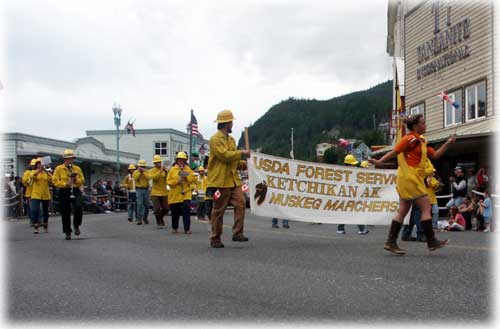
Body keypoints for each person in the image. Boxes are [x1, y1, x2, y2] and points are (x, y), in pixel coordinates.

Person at [370, 114, 455, 254]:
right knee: (426, 207)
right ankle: (431, 240)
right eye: (423, 123)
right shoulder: (410, 138)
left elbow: (435, 155)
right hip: (411, 178)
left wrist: (448, 143)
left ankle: (390, 242)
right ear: (416, 126)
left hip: (407, 179)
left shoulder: (421, 141)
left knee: (403, 209)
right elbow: (395, 151)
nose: (425, 125)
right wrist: (380, 162)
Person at [207, 109, 250, 248]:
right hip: (219, 181)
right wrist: (242, 152)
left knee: (241, 202)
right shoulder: (215, 139)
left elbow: (234, 161)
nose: (232, 124)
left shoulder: (231, 140)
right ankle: (215, 237)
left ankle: (237, 233)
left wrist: (246, 165)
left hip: (233, 180)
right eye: (231, 122)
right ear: (226, 123)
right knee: (218, 210)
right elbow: (224, 156)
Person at [52, 149, 85, 240]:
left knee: (78, 207)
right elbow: (54, 181)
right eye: (68, 158)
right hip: (64, 190)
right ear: (64, 159)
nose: (70, 160)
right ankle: (67, 231)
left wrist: (75, 179)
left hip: (75, 189)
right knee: (65, 211)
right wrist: (65, 184)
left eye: (71, 158)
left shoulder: (77, 169)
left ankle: (76, 225)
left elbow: (82, 180)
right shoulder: (59, 168)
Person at [336, 154, 369, 235]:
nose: (354, 166)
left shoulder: (345, 172)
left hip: (351, 195)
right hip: (348, 195)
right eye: (353, 164)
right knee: (354, 212)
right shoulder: (345, 173)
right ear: (348, 164)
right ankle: (361, 229)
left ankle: (341, 228)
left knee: (350, 212)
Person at [167, 151, 196, 234]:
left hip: (186, 194)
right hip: (175, 194)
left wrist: (187, 177)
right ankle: (175, 227)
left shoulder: (189, 169)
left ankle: (187, 229)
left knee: (186, 211)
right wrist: (177, 181)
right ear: (177, 160)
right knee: (175, 212)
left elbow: (193, 181)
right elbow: (168, 182)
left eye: (183, 160)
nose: (181, 162)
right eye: (179, 160)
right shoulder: (172, 170)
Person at [30, 158, 52, 233]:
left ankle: (45, 225)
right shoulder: (33, 171)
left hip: (45, 194)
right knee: (34, 210)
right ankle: (36, 226)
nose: (40, 165)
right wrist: (38, 171)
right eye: (39, 163)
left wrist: (46, 171)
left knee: (45, 211)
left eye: (42, 163)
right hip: (36, 194)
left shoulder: (47, 172)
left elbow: (51, 179)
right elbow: (32, 177)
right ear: (36, 165)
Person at [149, 155, 169, 229]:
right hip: (155, 192)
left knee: (166, 208)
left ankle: (161, 217)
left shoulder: (164, 170)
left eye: (159, 162)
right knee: (157, 209)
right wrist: (160, 171)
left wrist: (166, 172)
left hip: (163, 191)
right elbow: (154, 178)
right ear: (154, 163)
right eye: (156, 162)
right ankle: (159, 222)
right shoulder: (152, 171)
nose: (158, 163)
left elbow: (168, 178)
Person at [133, 159, 150, 225]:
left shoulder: (147, 172)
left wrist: (143, 172)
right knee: (140, 204)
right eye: (140, 166)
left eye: (143, 166)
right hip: (139, 189)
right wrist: (140, 172)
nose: (141, 167)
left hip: (146, 189)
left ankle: (145, 218)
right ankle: (139, 219)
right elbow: (135, 178)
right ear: (138, 166)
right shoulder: (136, 172)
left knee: (147, 205)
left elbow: (149, 177)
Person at [22, 158, 37, 225]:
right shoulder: (27, 172)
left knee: (37, 208)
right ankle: (32, 220)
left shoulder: (39, 172)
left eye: (34, 165)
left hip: (38, 192)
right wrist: (30, 177)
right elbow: (24, 182)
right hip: (29, 193)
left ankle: (37, 220)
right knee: (31, 208)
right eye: (32, 165)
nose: (33, 166)